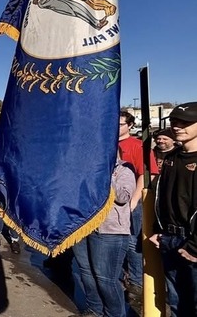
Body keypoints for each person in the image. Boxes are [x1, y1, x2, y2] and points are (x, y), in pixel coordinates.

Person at [71, 149, 135, 317]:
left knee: (106, 279)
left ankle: (114, 314)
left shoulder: (124, 170)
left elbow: (122, 197)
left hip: (110, 232)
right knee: (86, 272)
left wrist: (105, 174)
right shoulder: (85, 169)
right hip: (83, 227)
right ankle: (94, 310)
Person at [150, 102, 197, 317]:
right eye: (175, 121)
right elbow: (162, 197)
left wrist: (194, 246)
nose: (178, 126)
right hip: (169, 238)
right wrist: (157, 229)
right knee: (177, 301)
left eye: (186, 122)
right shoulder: (171, 158)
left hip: (192, 243)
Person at [117, 110, 158, 309]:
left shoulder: (138, 146)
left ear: (130, 126)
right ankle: (118, 274)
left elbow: (146, 175)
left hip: (132, 201)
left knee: (133, 242)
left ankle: (135, 281)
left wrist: (133, 202)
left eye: (121, 124)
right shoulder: (106, 143)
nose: (116, 128)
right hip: (110, 204)